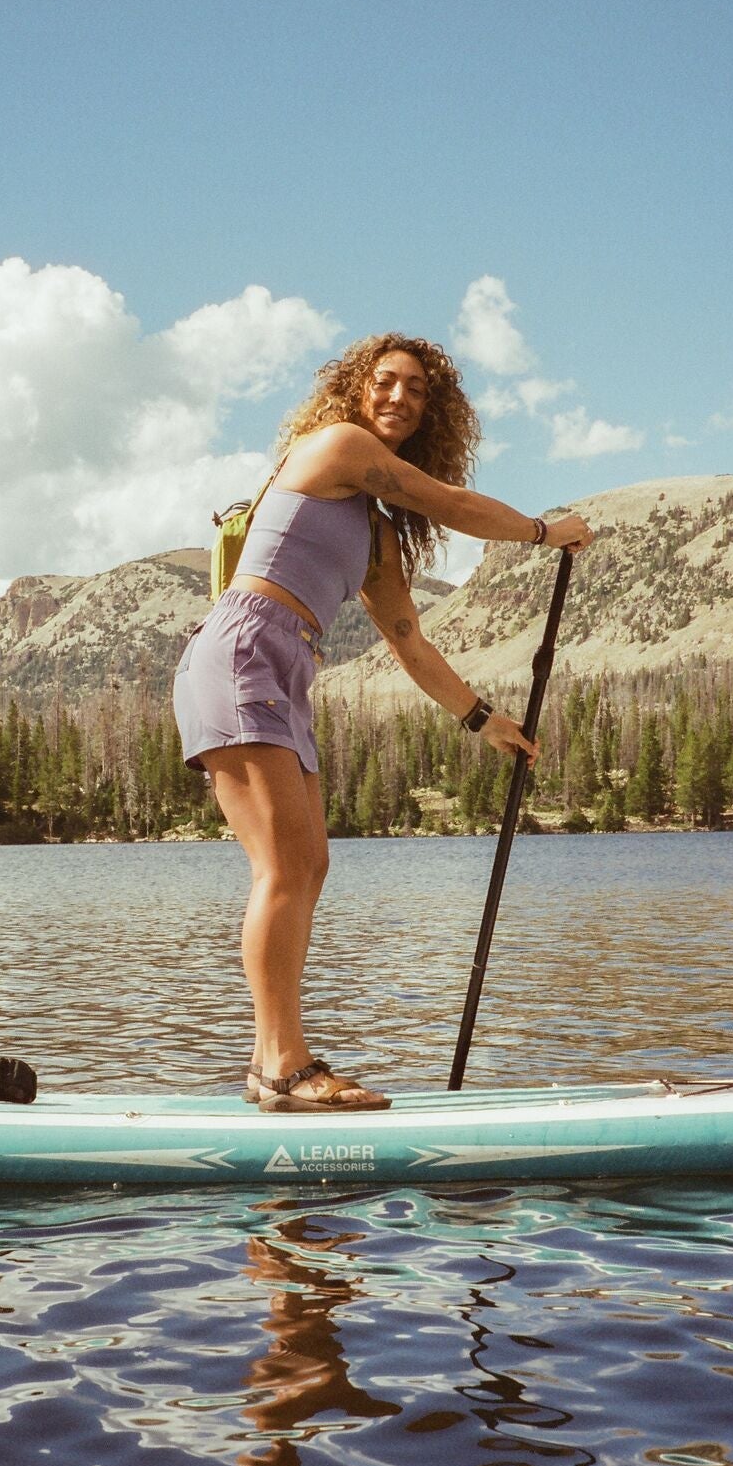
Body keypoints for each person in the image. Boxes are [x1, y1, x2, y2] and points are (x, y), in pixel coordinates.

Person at [172, 332, 593, 1112]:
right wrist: (544, 532)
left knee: (310, 865)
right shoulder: (336, 446)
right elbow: (455, 504)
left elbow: (407, 640)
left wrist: (483, 719)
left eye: (417, 392)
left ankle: (279, 1063)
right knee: (284, 868)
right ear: (356, 389)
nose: (399, 398)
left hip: (286, 671)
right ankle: (280, 1068)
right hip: (244, 650)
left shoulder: (374, 530)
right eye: (385, 382)